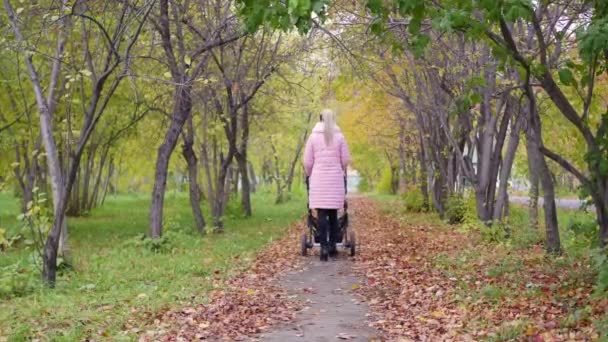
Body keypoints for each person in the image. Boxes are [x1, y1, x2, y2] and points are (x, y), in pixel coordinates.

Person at [303, 109, 351, 261]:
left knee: (321, 214)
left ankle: (323, 248)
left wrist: (309, 173)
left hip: (318, 179)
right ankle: (332, 247)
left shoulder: (312, 137)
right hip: (335, 179)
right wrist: (340, 169)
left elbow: (307, 161)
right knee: (333, 214)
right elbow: (345, 160)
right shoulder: (340, 137)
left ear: (320, 119)